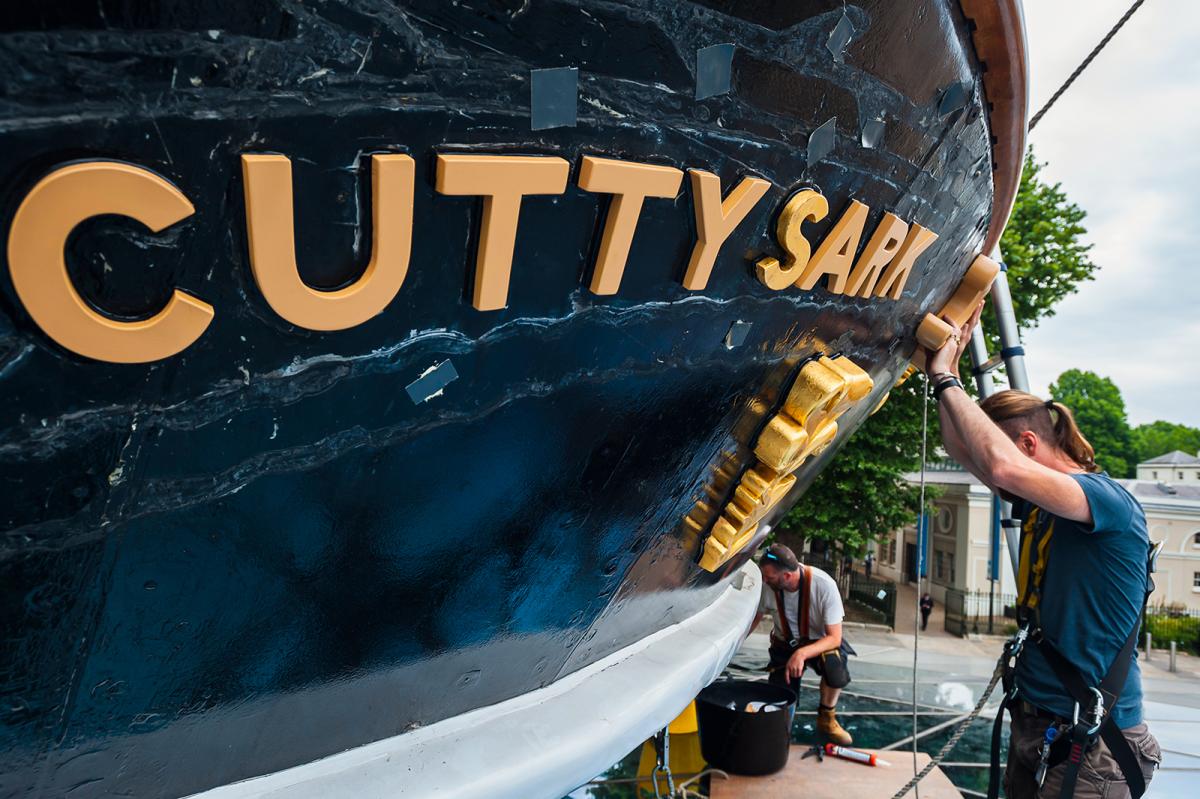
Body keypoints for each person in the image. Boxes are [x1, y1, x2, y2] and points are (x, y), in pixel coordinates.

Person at [924, 302, 1159, 799]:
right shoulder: (1044, 504)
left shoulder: (1105, 501)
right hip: (1046, 722)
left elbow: (1004, 469)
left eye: (1008, 452)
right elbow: (962, 450)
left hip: (1094, 745)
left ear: (1028, 443)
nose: (997, 467)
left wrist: (947, 376)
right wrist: (941, 373)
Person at [755, 543, 854, 745]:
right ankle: (782, 730)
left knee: (835, 672)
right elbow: (754, 619)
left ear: (788, 576)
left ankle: (827, 719)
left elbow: (834, 637)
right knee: (780, 697)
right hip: (784, 646)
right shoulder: (768, 587)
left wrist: (801, 654)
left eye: (769, 577)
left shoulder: (824, 585)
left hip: (819, 643)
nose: (764, 581)